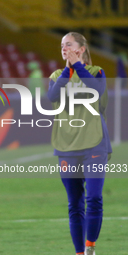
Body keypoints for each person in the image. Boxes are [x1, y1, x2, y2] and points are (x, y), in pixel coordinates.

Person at [47, 32, 112, 255]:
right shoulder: (57, 75)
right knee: (75, 203)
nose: (64, 48)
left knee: (93, 197)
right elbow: (53, 97)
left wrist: (78, 66)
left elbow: (96, 90)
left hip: (94, 144)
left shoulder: (97, 72)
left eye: (69, 45)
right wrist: (68, 68)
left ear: (82, 49)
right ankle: (79, 253)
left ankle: (90, 247)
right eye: (62, 45)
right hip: (67, 146)